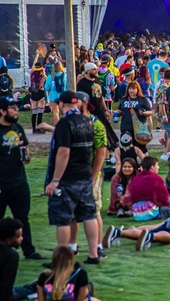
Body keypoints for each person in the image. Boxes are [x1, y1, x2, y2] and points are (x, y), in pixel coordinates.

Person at [44, 91, 102, 264]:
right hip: (84, 174)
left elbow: (64, 152)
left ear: (62, 104)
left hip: (67, 178)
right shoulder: (87, 121)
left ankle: (62, 260)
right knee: (88, 215)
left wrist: (55, 180)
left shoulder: (65, 123)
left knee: (63, 218)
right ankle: (93, 254)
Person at [0, 97, 44, 260]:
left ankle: (29, 251)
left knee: (23, 218)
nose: (16, 111)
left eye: (16, 108)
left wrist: (26, 157)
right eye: (12, 108)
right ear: (2, 111)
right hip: (2, 184)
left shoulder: (17, 127)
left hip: (19, 182)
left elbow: (25, 148)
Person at [129, 156, 170, 222]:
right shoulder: (156, 179)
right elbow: (164, 199)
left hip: (137, 215)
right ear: (152, 167)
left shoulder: (136, 178)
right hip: (154, 215)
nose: (158, 167)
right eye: (157, 165)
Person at [116, 81, 153, 155]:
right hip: (125, 126)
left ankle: (145, 163)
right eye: (130, 88)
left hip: (138, 128)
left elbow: (150, 112)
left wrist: (144, 113)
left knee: (141, 147)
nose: (131, 90)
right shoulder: (124, 99)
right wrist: (116, 113)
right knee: (126, 145)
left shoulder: (142, 99)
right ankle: (128, 162)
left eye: (133, 89)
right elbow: (119, 110)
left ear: (137, 89)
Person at [0, 218, 24, 301]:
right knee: (24, 291)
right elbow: (6, 286)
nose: (21, 238)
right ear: (9, 241)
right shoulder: (11, 256)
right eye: (18, 237)